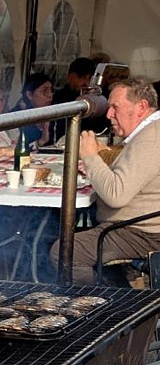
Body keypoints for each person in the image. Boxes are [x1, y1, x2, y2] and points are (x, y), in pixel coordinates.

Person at [64, 77, 160, 281]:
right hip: (136, 227)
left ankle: (92, 307)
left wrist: (90, 156)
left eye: (115, 107)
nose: (109, 114)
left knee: (67, 250)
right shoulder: (149, 133)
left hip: (143, 233)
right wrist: (98, 165)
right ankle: (116, 298)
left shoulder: (151, 138)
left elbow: (116, 195)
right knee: (73, 235)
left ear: (141, 107)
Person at [10, 72, 55, 152]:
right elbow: (15, 150)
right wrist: (41, 141)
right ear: (30, 95)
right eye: (44, 91)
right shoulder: (16, 117)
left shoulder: (51, 113)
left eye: (51, 91)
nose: (50, 95)